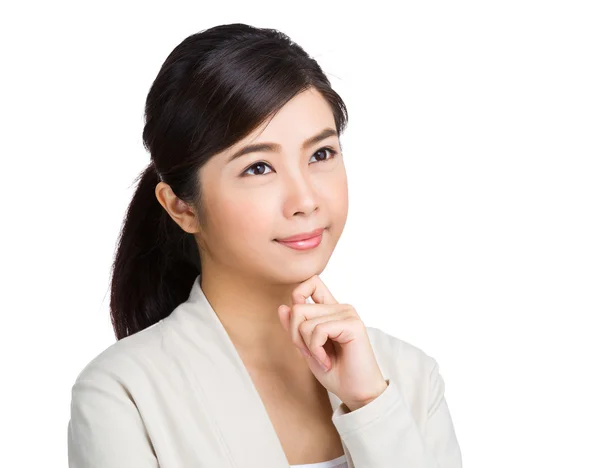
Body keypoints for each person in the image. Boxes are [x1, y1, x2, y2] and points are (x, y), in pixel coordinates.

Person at [67, 23, 462, 468]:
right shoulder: (123, 394)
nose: (306, 200)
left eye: (321, 155)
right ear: (182, 207)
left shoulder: (408, 378)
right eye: (258, 168)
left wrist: (372, 406)